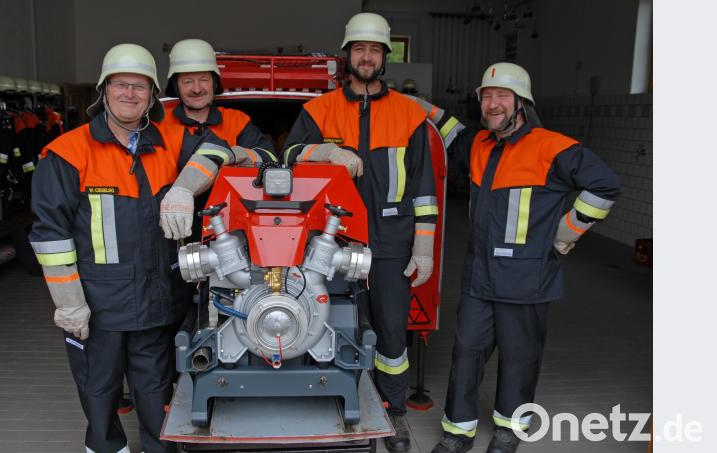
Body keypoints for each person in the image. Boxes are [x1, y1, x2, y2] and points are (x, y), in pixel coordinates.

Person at [430, 62, 621, 453]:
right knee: (466, 351)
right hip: (480, 276)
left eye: (502, 96)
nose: (493, 104)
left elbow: (605, 185)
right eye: (487, 97)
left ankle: (508, 429)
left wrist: (567, 231)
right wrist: (408, 104)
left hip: (527, 278)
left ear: (521, 103)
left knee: (519, 358)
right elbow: (448, 130)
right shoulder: (480, 144)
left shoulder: (554, 147)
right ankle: (458, 432)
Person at [281, 12, 439, 453]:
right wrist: (327, 151)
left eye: (374, 50)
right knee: (330, 325)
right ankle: (337, 403)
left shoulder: (409, 115)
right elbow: (290, 155)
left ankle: (393, 413)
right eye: (359, 49)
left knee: (391, 334)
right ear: (346, 55)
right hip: (331, 241)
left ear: (385, 57)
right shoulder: (319, 109)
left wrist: (423, 246)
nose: (366, 57)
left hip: (391, 242)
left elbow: (424, 188)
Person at [29, 43, 188, 453]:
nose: (130, 94)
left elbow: (217, 150)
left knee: (155, 389)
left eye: (140, 86)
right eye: (121, 84)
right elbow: (50, 236)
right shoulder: (67, 152)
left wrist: (186, 187)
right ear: (104, 89)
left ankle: (161, 448)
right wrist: (69, 303)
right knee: (98, 390)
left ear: (153, 95)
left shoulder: (167, 143)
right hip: (96, 305)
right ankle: (105, 448)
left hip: (154, 299)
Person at [157, 38, 276, 241]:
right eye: (187, 81)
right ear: (176, 86)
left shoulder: (236, 121)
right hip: (170, 234)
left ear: (214, 81)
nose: (197, 88)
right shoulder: (159, 125)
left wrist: (233, 154)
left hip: (229, 234)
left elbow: (269, 158)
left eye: (203, 79)